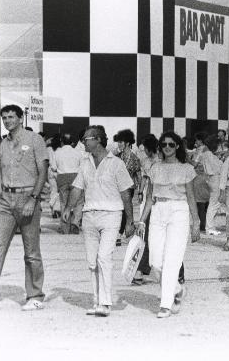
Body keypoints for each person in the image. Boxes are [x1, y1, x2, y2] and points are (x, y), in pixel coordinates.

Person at [62, 125, 135, 317]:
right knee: (92, 261)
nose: (83, 142)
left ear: (98, 140)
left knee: (104, 257)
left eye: (86, 139)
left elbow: (126, 193)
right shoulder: (85, 163)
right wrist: (68, 208)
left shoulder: (116, 163)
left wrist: (130, 220)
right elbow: (77, 188)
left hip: (112, 214)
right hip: (89, 215)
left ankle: (106, 302)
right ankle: (96, 301)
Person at [135, 131, 200, 318]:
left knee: (172, 259)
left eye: (171, 145)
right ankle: (177, 289)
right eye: (164, 145)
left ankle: (165, 304)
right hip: (158, 211)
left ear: (178, 146)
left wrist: (196, 222)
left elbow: (190, 197)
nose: (167, 148)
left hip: (179, 211)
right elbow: (148, 198)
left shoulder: (186, 168)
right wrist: (141, 220)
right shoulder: (155, 168)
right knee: (155, 261)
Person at [0, 105, 49, 310]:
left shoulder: (35, 140)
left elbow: (42, 171)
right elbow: (1, 174)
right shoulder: (3, 144)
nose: (7, 121)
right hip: (6, 200)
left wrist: (33, 199)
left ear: (20, 118)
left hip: (28, 197)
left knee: (31, 251)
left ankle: (35, 295)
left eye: (11, 117)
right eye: (4, 117)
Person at [132, 134, 159, 284]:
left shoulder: (155, 162)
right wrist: (141, 191)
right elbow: (145, 178)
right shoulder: (152, 161)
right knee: (149, 237)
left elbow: (146, 179)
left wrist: (141, 192)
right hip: (154, 201)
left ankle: (140, 270)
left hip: (155, 203)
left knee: (148, 237)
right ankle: (141, 269)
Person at [114, 129, 141, 244]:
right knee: (118, 210)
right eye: (118, 142)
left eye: (121, 142)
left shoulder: (134, 158)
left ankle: (119, 234)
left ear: (128, 143)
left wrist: (140, 191)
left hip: (128, 189)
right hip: (116, 188)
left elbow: (139, 175)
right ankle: (123, 231)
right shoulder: (117, 157)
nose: (119, 144)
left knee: (124, 210)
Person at [54, 134, 83, 234]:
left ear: (62, 142)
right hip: (76, 177)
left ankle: (65, 227)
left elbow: (53, 167)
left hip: (62, 178)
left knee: (64, 203)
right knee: (78, 202)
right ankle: (75, 223)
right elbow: (82, 166)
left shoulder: (57, 152)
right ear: (72, 142)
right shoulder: (77, 152)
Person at [198, 134, 224, 236]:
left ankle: (210, 226)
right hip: (215, 179)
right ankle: (209, 227)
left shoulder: (206, 154)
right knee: (214, 204)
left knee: (213, 203)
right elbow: (217, 167)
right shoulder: (209, 154)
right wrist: (222, 160)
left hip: (211, 179)